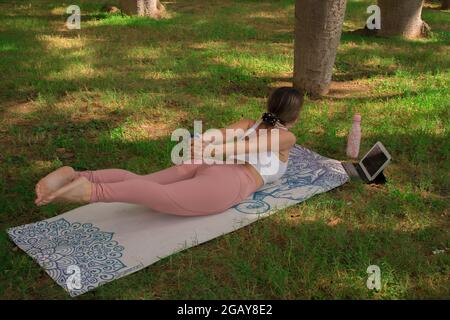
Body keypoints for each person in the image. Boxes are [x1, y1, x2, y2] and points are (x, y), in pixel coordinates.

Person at [35, 87, 303, 216]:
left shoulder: (249, 123)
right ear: (296, 116)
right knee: (165, 198)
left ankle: (77, 175)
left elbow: (223, 136)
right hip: (232, 179)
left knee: (142, 180)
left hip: (209, 166)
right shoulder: (286, 137)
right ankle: (90, 191)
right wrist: (209, 145)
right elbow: (245, 145)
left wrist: (207, 144)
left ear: (269, 104)